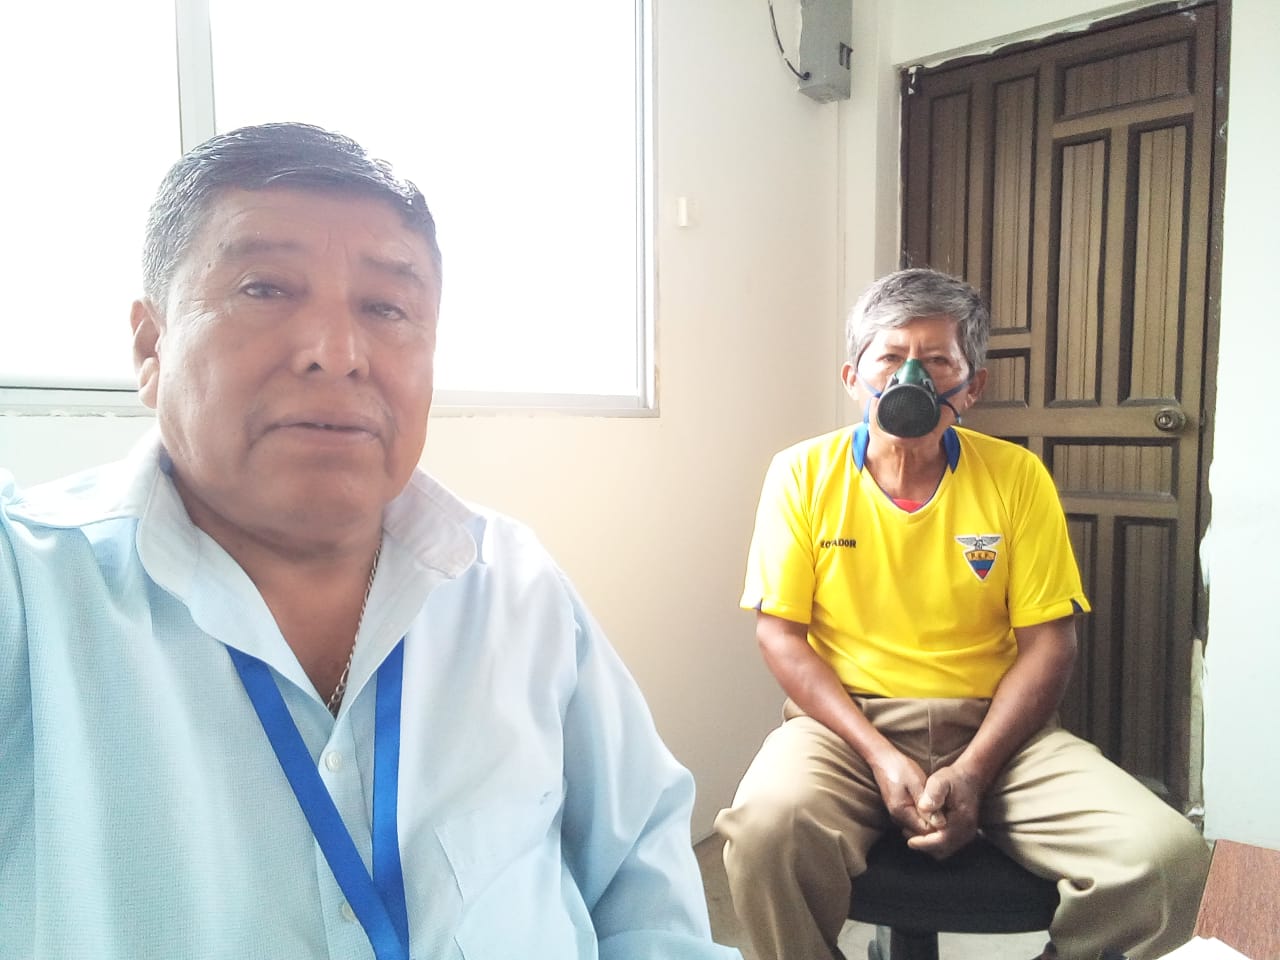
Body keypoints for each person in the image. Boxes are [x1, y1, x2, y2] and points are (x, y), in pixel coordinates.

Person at [0, 122, 740, 960]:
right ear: (150, 344)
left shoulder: (514, 584)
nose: (337, 353)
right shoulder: (32, 595)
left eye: (387, 308)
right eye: (265, 289)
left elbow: (643, 877)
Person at [715, 268, 1211, 960]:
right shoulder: (801, 474)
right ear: (853, 377)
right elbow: (780, 634)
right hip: (846, 729)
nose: (910, 378)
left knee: (1167, 858)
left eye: (938, 361)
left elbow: (1050, 644)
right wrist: (879, 754)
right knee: (764, 830)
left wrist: (975, 770)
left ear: (971, 387)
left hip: (997, 732)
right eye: (890, 357)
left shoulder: (1016, 477)